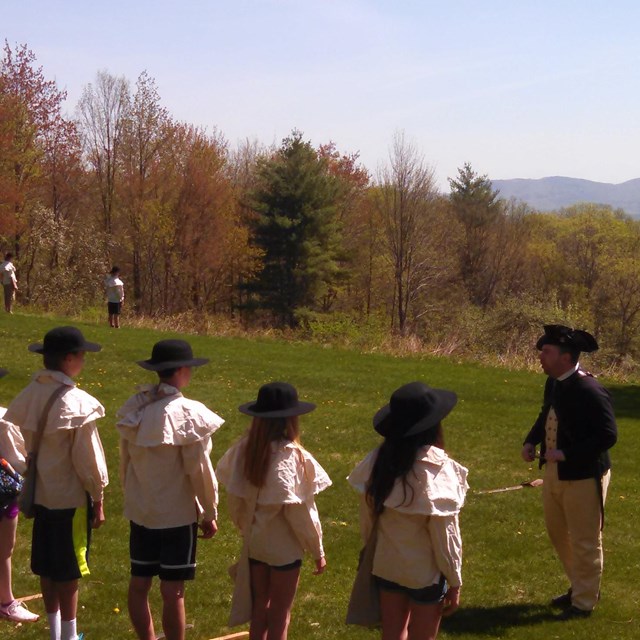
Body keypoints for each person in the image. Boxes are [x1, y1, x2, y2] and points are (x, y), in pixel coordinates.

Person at [3, 326, 109, 640]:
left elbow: (24, 444)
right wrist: (98, 498)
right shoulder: (76, 402)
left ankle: (55, 633)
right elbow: (89, 463)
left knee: (47, 569)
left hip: (40, 495)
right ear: (69, 359)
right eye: (81, 355)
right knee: (68, 573)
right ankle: (69, 635)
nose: (84, 361)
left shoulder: (30, 393)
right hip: (69, 499)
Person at [116, 339, 224, 640]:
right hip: (177, 516)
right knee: (173, 589)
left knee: (139, 582)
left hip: (141, 510)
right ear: (180, 370)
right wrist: (209, 511)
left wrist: (131, 496)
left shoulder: (136, 410)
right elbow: (200, 471)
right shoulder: (186, 413)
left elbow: (125, 463)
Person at [347, 382, 468, 640]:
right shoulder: (437, 470)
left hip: (387, 565)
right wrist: (454, 580)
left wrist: (369, 549)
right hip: (424, 574)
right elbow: (445, 537)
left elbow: (368, 519)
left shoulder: (379, 460)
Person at [216, 381, 331, 640]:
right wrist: (317, 550)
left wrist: (245, 528)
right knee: (281, 612)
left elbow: (235, 499)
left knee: (260, 607)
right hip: (284, 550)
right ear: (292, 420)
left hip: (256, 543)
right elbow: (300, 513)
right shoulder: (292, 458)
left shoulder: (245, 450)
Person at [522, 324, 617, 619]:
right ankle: (579, 585)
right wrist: (531, 439)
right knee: (558, 533)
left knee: (585, 539)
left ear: (565, 358)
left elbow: (608, 435)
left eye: (546, 352)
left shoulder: (590, 389)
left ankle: (584, 602)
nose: (540, 356)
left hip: (585, 476)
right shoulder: (554, 383)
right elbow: (546, 413)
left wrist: (567, 453)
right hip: (555, 473)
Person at [0, 367, 40, 623]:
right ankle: (5, 601)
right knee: (4, 549)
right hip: (2, 495)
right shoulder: (3, 419)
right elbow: (20, 460)